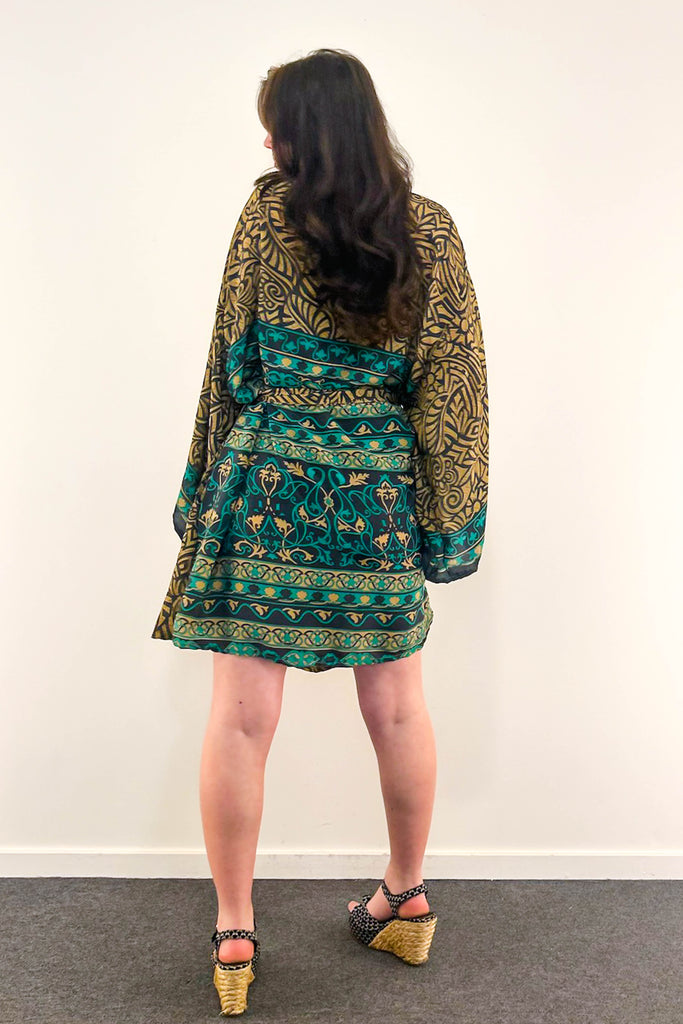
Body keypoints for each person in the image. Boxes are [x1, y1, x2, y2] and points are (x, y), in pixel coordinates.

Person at [151, 48, 489, 1016]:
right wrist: (447, 527)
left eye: (276, 128)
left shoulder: (265, 219)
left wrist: (200, 495)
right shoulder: (429, 231)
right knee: (398, 710)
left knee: (238, 719)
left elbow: (230, 361)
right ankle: (404, 897)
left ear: (304, 135)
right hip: (376, 495)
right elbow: (451, 388)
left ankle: (233, 933)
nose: (266, 145)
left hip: (266, 484)